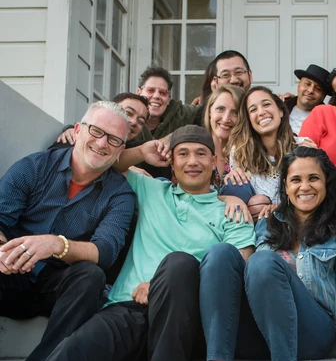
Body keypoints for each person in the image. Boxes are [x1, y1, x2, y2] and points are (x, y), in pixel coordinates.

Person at [45, 125, 256, 361]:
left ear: (214, 161)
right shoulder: (151, 189)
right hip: (127, 307)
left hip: (187, 316)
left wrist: (159, 285)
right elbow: (104, 163)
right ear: (172, 163)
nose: (192, 161)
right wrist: (141, 152)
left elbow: (234, 272)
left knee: (179, 263)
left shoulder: (232, 212)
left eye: (201, 153)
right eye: (183, 154)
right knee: (72, 350)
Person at [221, 147, 336, 360]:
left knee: (263, 261)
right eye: (296, 180)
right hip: (266, 331)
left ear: (327, 183)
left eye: (313, 178)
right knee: (223, 253)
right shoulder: (268, 223)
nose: (305, 187)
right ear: (286, 186)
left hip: (314, 330)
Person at [0, 101, 135, 361]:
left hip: (58, 286)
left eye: (114, 139)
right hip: (11, 272)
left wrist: (56, 244)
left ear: (120, 151)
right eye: (96, 131)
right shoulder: (35, 166)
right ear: (77, 131)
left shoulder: (120, 194)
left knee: (91, 275)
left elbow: (106, 250)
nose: (102, 143)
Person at [225, 86, 309, 221]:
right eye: (253, 109)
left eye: (266, 104)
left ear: (280, 111)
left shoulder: (303, 146)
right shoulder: (240, 153)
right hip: (254, 224)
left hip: (295, 221)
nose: (261, 112)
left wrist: (279, 209)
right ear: (249, 120)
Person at [135, 66, 205, 142]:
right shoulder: (127, 116)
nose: (156, 96)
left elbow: (210, 110)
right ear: (139, 93)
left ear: (169, 98)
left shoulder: (179, 114)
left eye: (162, 93)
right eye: (150, 90)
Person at [285, 64, 333, 134]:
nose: (310, 90)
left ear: (323, 96)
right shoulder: (280, 109)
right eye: (307, 84)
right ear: (299, 85)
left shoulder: (329, 120)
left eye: (318, 89)